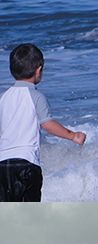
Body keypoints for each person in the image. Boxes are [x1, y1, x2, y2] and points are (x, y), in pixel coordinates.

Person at [0, 43, 86, 202]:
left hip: (2, 165)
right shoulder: (36, 96)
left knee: (6, 212)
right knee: (30, 212)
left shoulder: (4, 98)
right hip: (26, 164)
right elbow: (48, 125)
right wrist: (73, 136)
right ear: (38, 70)